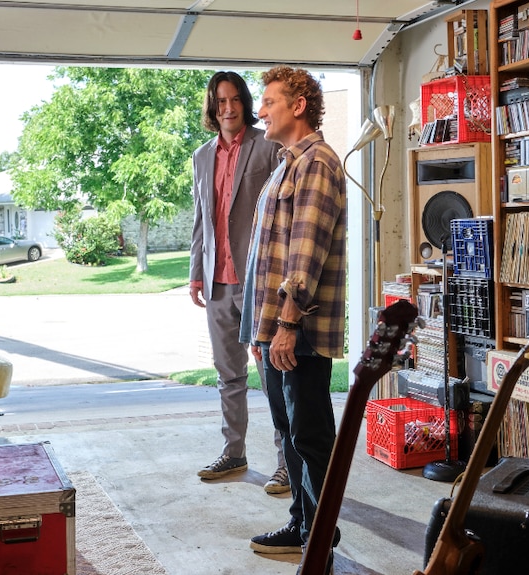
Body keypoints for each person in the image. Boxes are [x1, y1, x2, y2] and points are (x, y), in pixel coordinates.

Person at [240, 66, 347, 574]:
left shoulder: (317, 163)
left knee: (309, 434)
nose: (259, 110)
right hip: (273, 327)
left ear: (298, 104)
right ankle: (303, 524)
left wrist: (286, 325)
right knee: (290, 432)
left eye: (268, 101)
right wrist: (262, 331)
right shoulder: (286, 165)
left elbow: (305, 255)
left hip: (297, 331)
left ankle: (320, 535)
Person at [189, 71, 289, 493]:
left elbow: (283, 214)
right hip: (217, 281)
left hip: (259, 282)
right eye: (220, 101)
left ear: (244, 103)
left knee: (272, 377)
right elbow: (202, 219)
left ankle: (288, 462)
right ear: (212, 108)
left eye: (233, 100)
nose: (227, 108)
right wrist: (196, 271)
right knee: (228, 375)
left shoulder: (268, 147)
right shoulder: (201, 156)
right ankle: (234, 453)